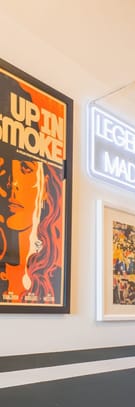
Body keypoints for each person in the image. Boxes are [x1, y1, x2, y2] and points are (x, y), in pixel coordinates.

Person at [0, 75, 65, 306]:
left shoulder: (55, 276)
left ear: (45, 185)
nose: (12, 183)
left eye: (26, 168)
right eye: (2, 167)